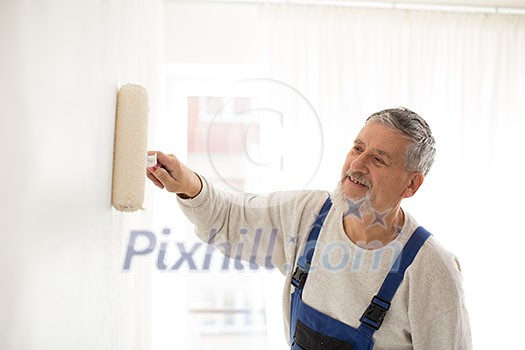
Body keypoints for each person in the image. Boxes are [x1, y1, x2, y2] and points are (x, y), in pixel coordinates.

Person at [146, 107, 472, 350]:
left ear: (411, 184)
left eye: (378, 159)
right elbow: (231, 222)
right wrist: (188, 185)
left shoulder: (431, 269)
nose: (357, 165)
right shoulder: (309, 214)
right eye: (358, 148)